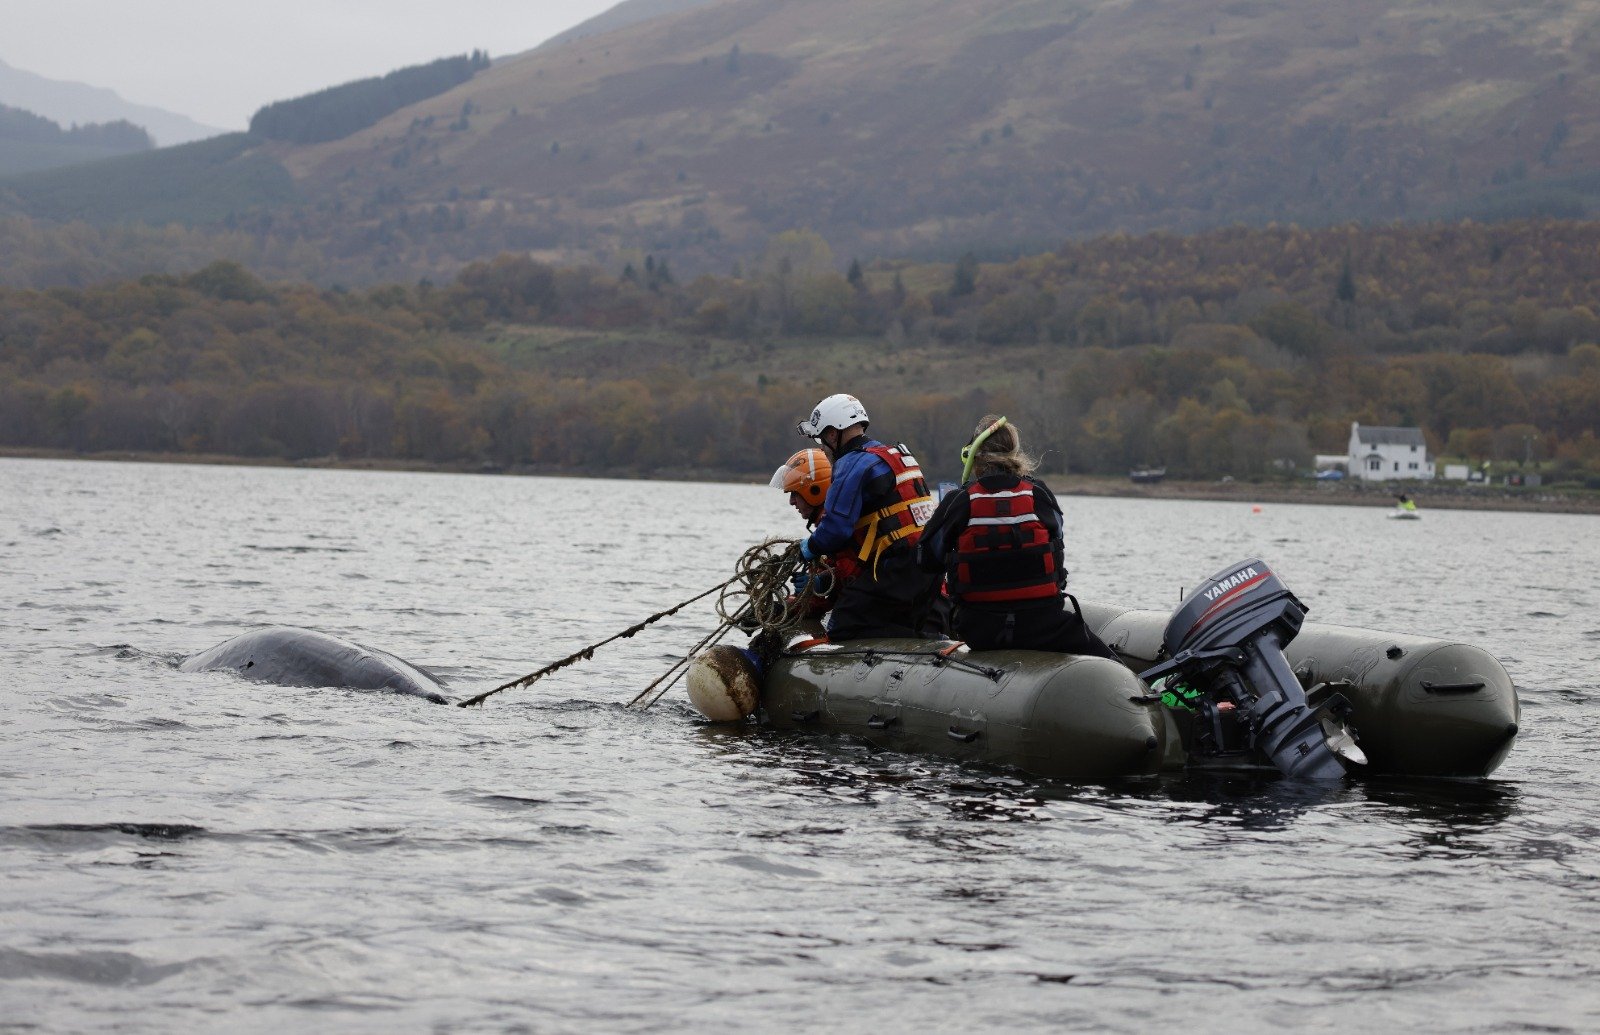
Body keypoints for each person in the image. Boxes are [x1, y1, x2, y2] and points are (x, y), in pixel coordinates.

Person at [916, 414, 1118, 659]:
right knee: (1112, 663)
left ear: (973, 457)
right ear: (1015, 454)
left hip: (980, 630)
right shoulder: (1039, 494)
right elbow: (1058, 537)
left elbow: (927, 559)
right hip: (1045, 624)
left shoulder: (958, 501)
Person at [795, 394, 940, 640]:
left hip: (896, 570)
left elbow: (836, 530)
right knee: (903, 627)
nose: (822, 446)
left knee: (843, 626)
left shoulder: (852, 463)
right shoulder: (896, 455)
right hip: (930, 571)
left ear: (833, 435)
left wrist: (808, 547)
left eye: (821, 438)